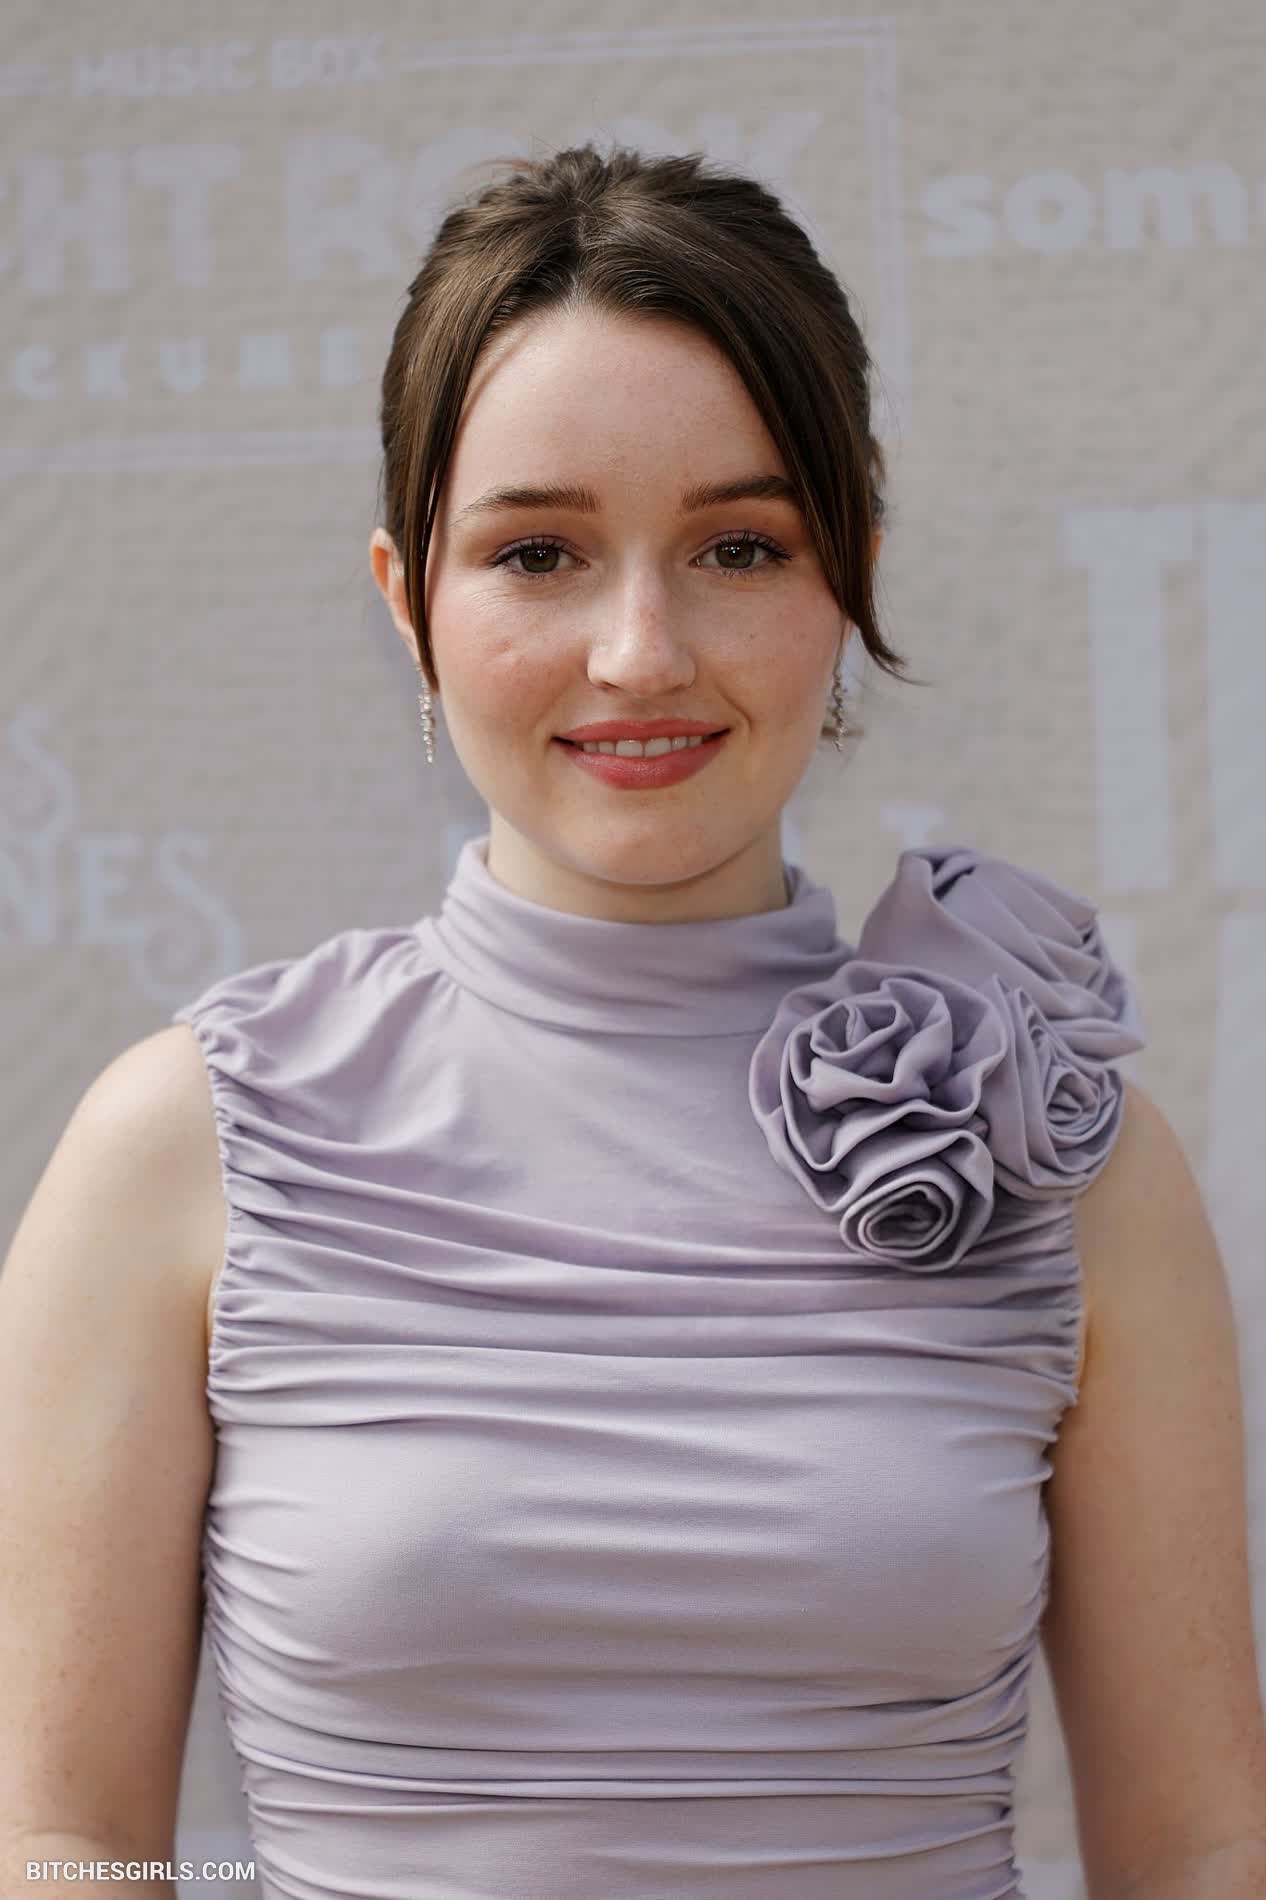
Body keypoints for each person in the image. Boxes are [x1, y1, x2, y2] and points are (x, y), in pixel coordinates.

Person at [3, 142, 1264, 1900]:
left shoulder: (1078, 1166)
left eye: (738, 546)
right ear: (408, 601)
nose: (641, 653)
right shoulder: (185, 1143)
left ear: (849, 580)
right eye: (538, 554)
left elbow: (1198, 1847)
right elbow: (61, 1844)